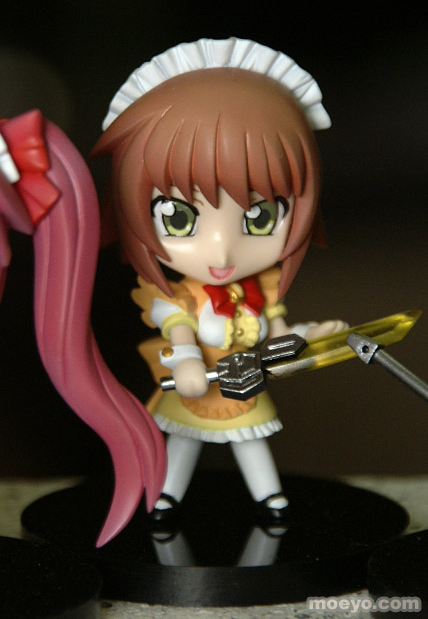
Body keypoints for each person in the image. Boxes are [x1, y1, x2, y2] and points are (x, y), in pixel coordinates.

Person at [0, 38, 346, 545]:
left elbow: (277, 330)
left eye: (260, 217)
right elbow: (179, 328)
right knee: (182, 441)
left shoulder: (261, 289)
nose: (222, 250)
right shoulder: (182, 299)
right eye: (180, 218)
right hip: (196, 388)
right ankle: (164, 496)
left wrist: (305, 337)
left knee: (250, 443)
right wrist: (185, 361)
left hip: (244, 387)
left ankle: (270, 498)